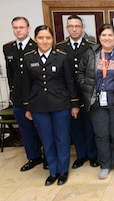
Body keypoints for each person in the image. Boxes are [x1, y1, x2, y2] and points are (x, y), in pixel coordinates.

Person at [22, 25, 80, 186]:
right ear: (35, 39)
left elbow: (70, 81)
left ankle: (63, 171)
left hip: (61, 104)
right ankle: (52, 171)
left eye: (48, 38)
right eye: (41, 38)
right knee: (47, 140)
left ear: (53, 39)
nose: (44, 41)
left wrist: (74, 104)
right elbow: (26, 84)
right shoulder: (28, 58)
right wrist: (28, 107)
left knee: (62, 139)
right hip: (38, 106)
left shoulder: (62, 56)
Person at [76, 24, 114, 180]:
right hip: (97, 103)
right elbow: (80, 73)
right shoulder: (90, 53)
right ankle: (105, 165)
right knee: (101, 135)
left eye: (110, 35)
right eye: (104, 35)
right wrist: (87, 87)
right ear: (99, 37)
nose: (107, 38)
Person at [3, 16, 47, 172]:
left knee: (42, 129)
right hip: (19, 97)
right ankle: (33, 157)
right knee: (26, 129)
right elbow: (10, 74)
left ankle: (48, 157)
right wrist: (13, 95)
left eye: (21, 27)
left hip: (37, 95)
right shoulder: (8, 48)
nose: (18, 30)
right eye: (15, 27)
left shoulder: (38, 45)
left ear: (28, 29)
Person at [56, 15, 99, 169]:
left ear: (83, 28)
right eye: (71, 26)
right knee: (75, 126)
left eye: (77, 26)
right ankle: (81, 155)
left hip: (88, 92)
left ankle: (93, 155)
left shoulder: (92, 46)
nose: (74, 29)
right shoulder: (60, 47)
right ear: (67, 28)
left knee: (90, 125)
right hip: (68, 94)